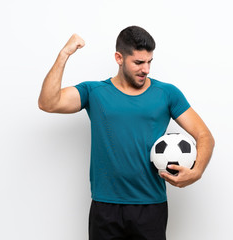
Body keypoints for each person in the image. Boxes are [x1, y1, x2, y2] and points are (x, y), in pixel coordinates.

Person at [38, 26, 214, 240]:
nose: (146, 69)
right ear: (119, 58)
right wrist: (64, 54)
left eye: (149, 61)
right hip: (105, 207)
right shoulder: (94, 92)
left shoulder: (167, 94)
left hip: (150, 206)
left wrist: (197, 172)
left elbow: (204, 135)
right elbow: (48, 102)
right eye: (138, 63)